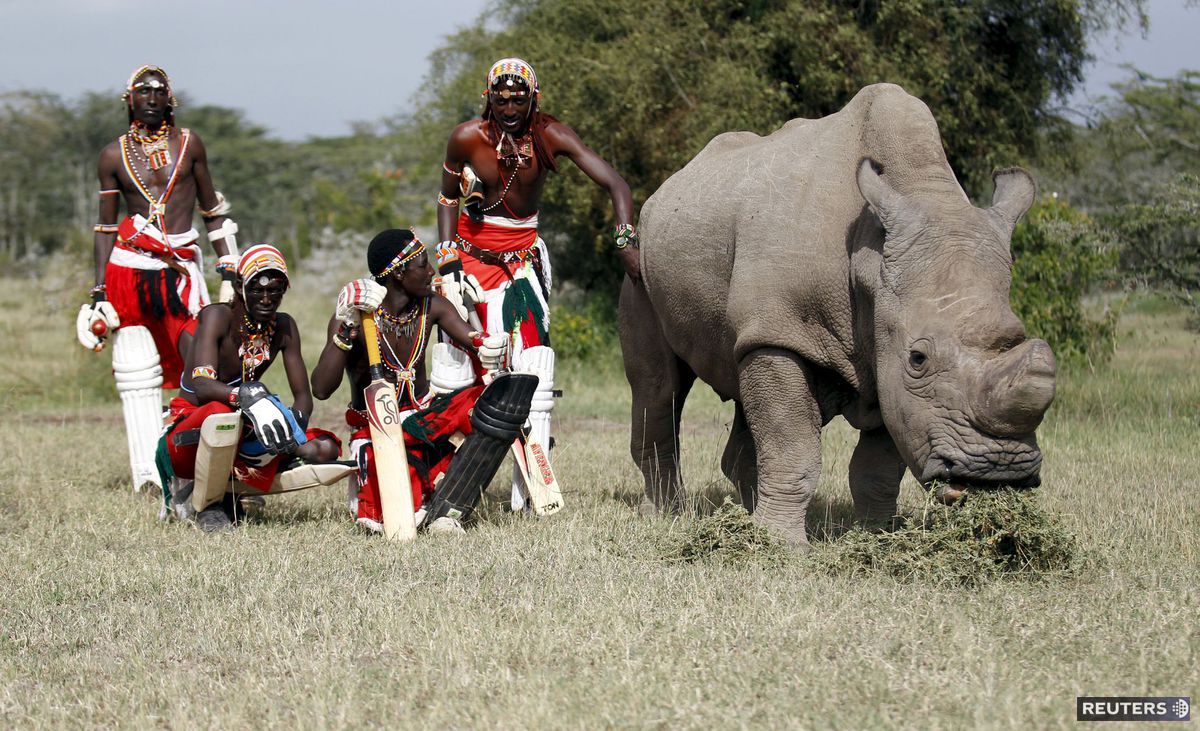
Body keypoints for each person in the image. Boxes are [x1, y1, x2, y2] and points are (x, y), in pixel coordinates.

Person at [435, 57, 638, 509]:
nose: (510, 108)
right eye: (501, 99)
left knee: (535, 372)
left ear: (534, 98)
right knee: (454, 374)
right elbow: (447, 199)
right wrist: (448, 264)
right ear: (489, 98)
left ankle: (529, 497)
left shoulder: (550, 135)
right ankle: (440, 486)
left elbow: (616, 184)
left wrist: (625, 239)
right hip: (466, 266)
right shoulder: (466, 137)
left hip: (521, 267)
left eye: (519, 99)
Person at [76, 64, 243, 493]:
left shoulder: (189, 145)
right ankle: (148, 476)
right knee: (136, 369)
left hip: (180, 273)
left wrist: (229, 264)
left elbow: (211, 211)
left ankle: (196, 467)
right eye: (142, 91)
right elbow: (106, 228)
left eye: (158, 91)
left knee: (201, 364)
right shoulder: (113, 156)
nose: (151, 98)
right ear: (129, 99)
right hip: (129, 271)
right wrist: (98, 292)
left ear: (170, 98)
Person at [311, 229, 521, 535]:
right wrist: (344, 334)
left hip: (423, 419)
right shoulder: (357, 316)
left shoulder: (432, 305)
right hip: (376, 428)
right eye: (423, 265)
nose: (431, 271)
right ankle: (422, 502)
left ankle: (448, 506)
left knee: (487, 404)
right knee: (396, 491)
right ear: (398, 273)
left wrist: (489, 344)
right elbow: (320, 389)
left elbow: (472, 337)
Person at [156, 244, 340, 532]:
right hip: (194, 427)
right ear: (240, 287)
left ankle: (239, 484)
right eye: (257, 290)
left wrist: (294, 426)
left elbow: (303, 396)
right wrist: (244, 395)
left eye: (275, 291)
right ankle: (209, 503)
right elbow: (201, 385)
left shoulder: (283, 326)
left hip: (244, 422)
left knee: (324, 448)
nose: (266, 299)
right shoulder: (217, 317)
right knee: (221, 413)